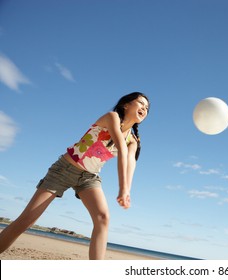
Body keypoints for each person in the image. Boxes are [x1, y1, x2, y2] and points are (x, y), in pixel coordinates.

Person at [0, 92, 150, 260]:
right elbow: (121, 149)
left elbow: (130, 163)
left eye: (147, 108)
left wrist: (126, 191)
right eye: (141, 103)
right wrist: (122, 188)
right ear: (126, 105)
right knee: (26, 221)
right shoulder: (112, 117)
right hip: (64, 169)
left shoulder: (133, 140)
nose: (144, 108)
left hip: (89, 178)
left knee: (103, 218)